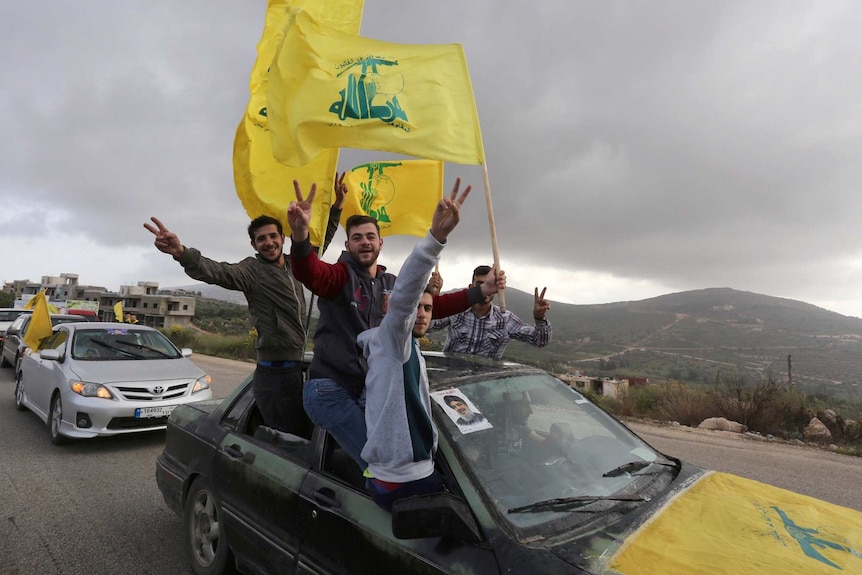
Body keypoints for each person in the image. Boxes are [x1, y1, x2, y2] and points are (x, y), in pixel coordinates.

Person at [288, 179, 505, 470]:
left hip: (368, 390)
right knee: (380, 465)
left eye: (369, 236)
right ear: (348, 244)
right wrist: (301, 238)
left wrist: (482, 291)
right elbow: (310, 272)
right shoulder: (339, 277)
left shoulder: (393, 285)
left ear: (380, 243)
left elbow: (434, 306)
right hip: (331, 388)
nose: (364, 241)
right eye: (357, 237)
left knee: (396, 453)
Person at [143, 180, 345, 439]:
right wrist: (181, 252)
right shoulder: (252, 270)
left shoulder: (297, 264)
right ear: (253, 245)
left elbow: (321, 239)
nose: (269, 242)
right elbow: (218, 272)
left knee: (308, 437)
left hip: (296, 369)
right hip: (274, 374)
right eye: (261, 239)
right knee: (288, 443)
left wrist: (337, 206)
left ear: (283, 238)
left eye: (273, 236)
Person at [359, 182, 471, 510]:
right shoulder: (394, 342)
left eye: (428, 308)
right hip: (407, 479)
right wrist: (434, 240)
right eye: (414, 308)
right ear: (391, 308)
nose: (420, 314)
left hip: (395, 472)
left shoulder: (403, 347)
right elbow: (406, 295)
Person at [429, 266, 552, 359]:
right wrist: (432, 298)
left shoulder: (505, 319)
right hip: (450, 381)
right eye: (480, 285)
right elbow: (427, 326)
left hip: (484, 385)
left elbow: (539, 340)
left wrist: (539, 317)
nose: (486, 289)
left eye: (489, 284)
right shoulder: (456, 311)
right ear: (471, 287)